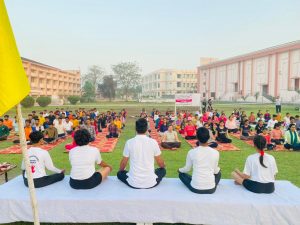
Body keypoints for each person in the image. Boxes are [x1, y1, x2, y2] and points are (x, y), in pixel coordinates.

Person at [117, 118, 166, 189]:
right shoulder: (153, 142)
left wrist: (121, 170)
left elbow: (123, 163)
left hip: (133, 182)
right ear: (147, 129)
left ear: (135, 129)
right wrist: (163, 165)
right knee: (163, 170)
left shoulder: (129, 142)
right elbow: (160, 163)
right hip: (150, 182)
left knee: (119, 173)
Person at [178, 127, 221, 194]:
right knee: (218, 173)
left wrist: (179, 170)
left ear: (197, 137)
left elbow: (187, 169)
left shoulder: (192, 152)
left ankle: (197, 180)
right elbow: (215, 171)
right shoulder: (216, 152)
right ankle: (202, 181)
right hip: (211, 188)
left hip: (196, 188)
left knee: (181, 175)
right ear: (209, 137)